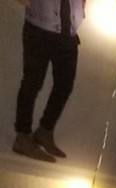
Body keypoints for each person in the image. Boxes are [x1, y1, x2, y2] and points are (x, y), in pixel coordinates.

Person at [12, 0, 85, 162]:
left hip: (68, 31)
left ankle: (44, 131)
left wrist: (81, 9)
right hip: (39, 30)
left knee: (65, 84)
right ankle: (22, 137)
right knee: (32, 83)